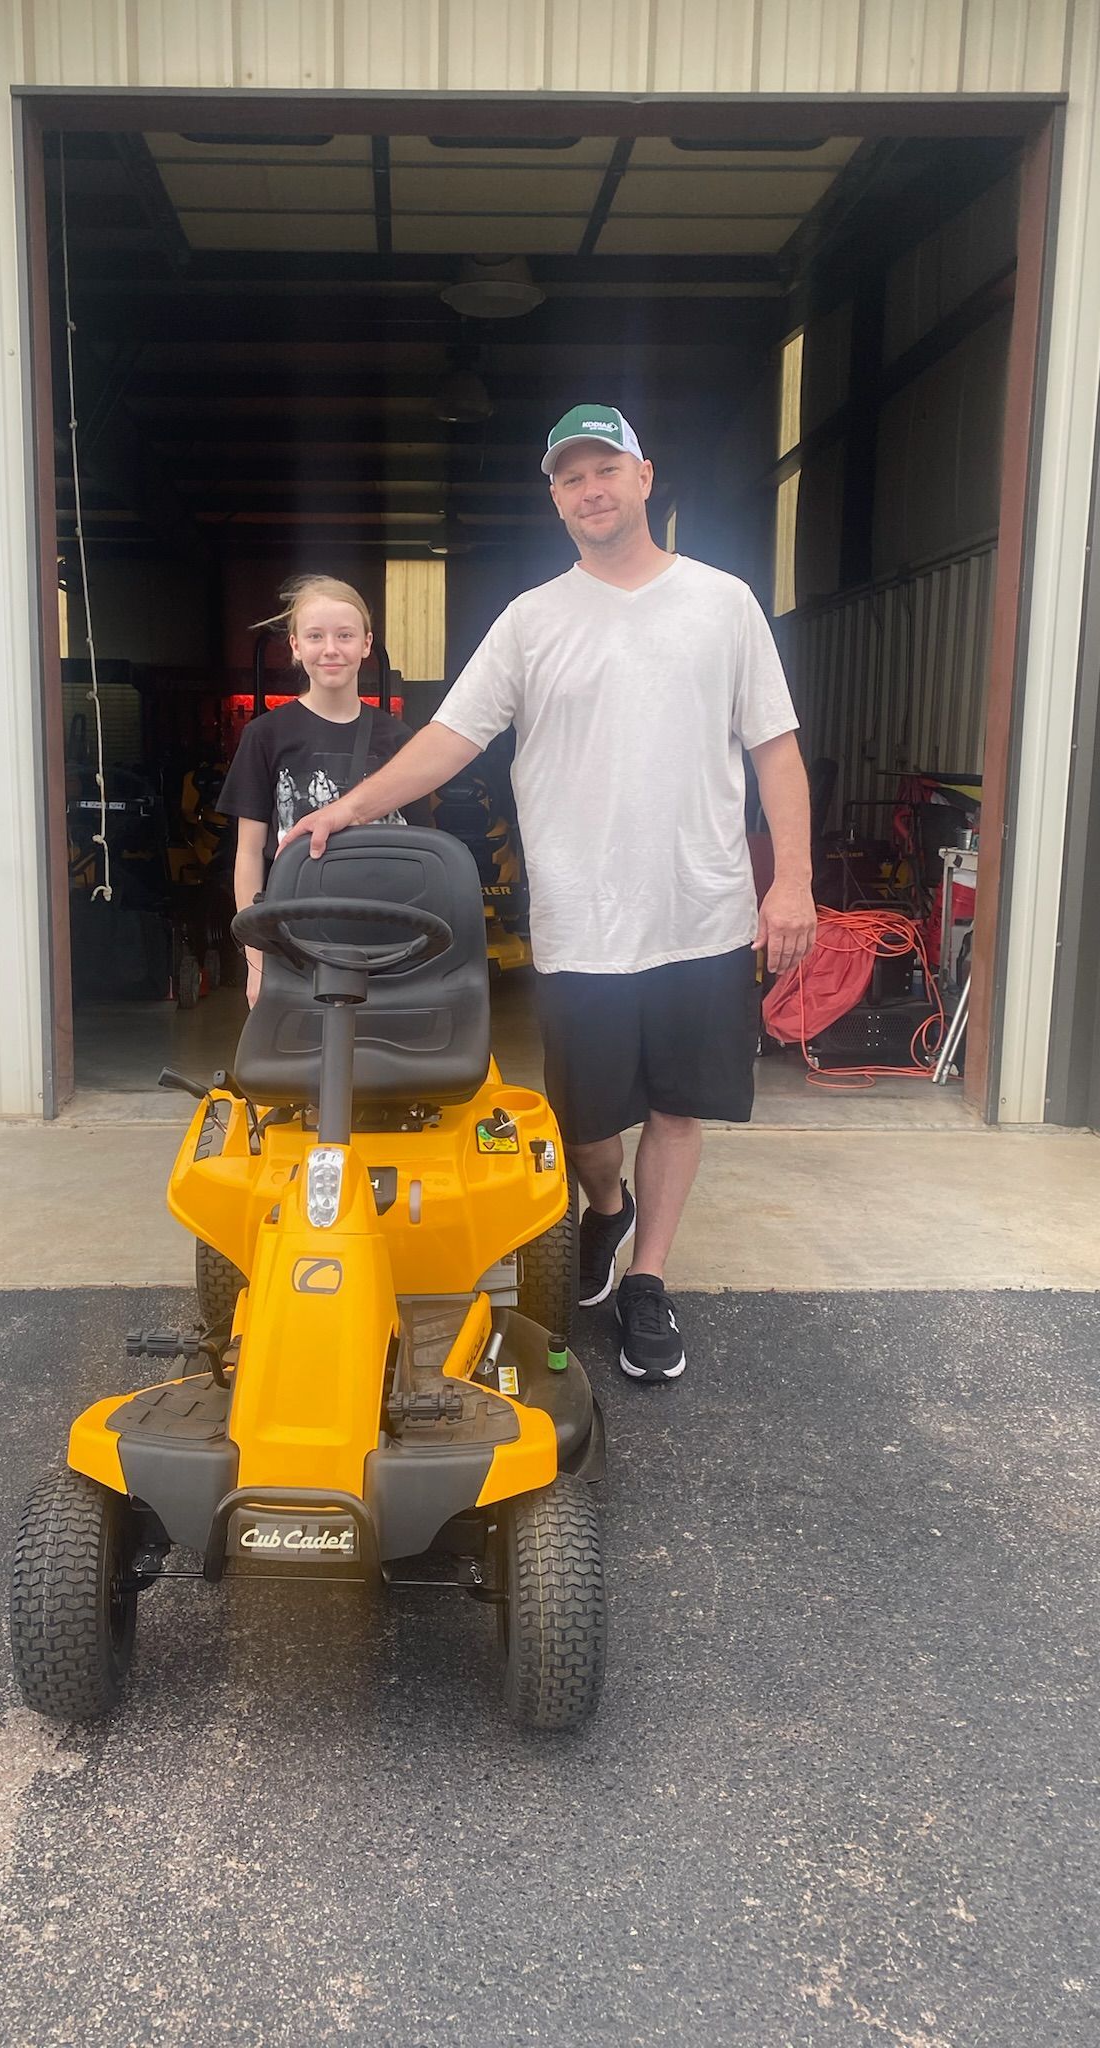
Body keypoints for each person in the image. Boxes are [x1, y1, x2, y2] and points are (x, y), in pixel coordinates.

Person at [282, 405, 817, 1384]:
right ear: (555, 497)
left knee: (681, 1105)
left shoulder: (724, 602)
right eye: (571, 478)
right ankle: (605, 1210)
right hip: (582, 918)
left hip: (702, 906)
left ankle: (648, 1276)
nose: (591, 490)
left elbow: (773, 746)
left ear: (644, 476)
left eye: (605, 468)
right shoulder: (533, 620)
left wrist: (794, 884)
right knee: (587, 1122)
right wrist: (346, 811)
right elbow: (451, 738)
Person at [217, 576, 433, 1006]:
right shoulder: (265, 735)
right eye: (315, 636)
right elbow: (247, 852)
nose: (330, 648)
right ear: (295, 646)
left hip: (383, 937)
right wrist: (257, 961)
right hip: (293, 937)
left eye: (345, 635)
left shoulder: (399, 739)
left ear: (366, 644)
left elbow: (425, 850)